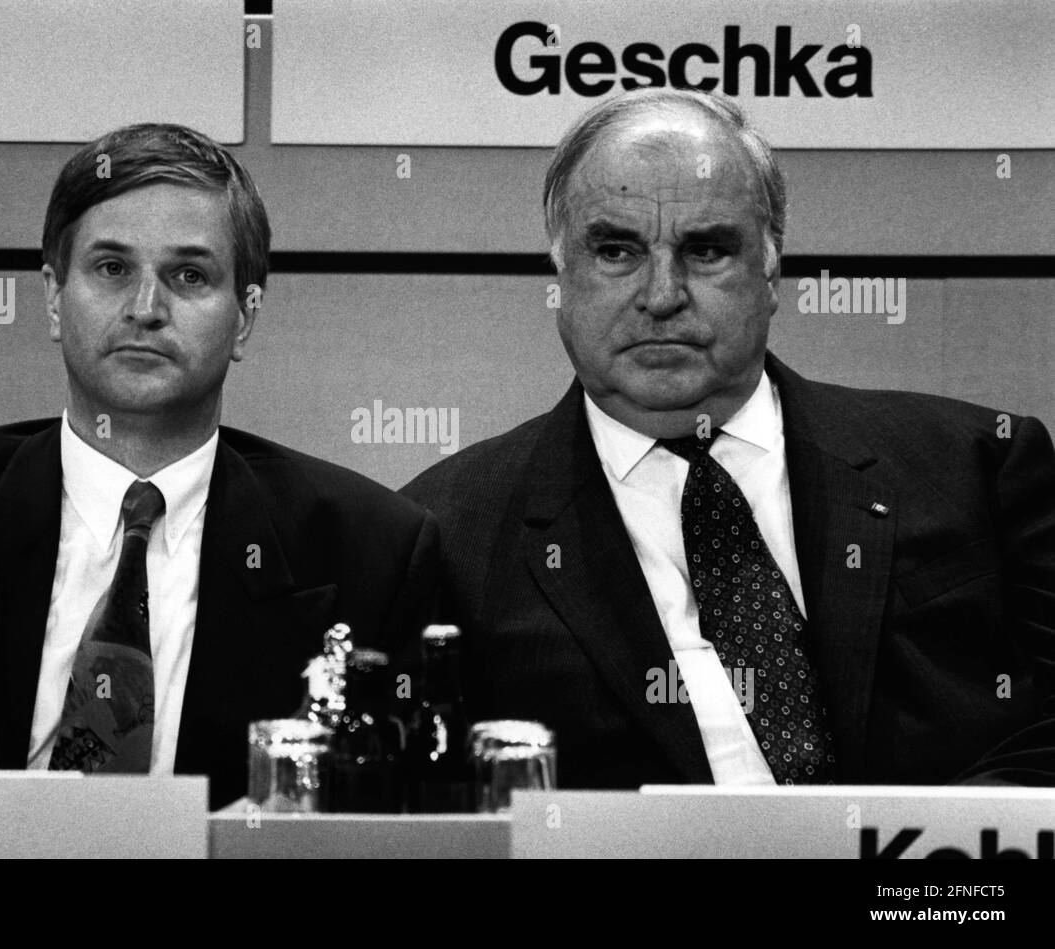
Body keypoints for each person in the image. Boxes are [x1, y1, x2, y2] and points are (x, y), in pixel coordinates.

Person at [0, 123, 438, 809]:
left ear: (245, 318)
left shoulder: (369, 554)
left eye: (189, 275)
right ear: (53, 296)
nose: (146, 309)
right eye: (112, 268)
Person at [403, 88, 1055, 788]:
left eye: (706, 249)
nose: (661, 295)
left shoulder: (978, 464)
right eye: (616, 250)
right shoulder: (444, 538)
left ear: (772, 269)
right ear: (561, 274)